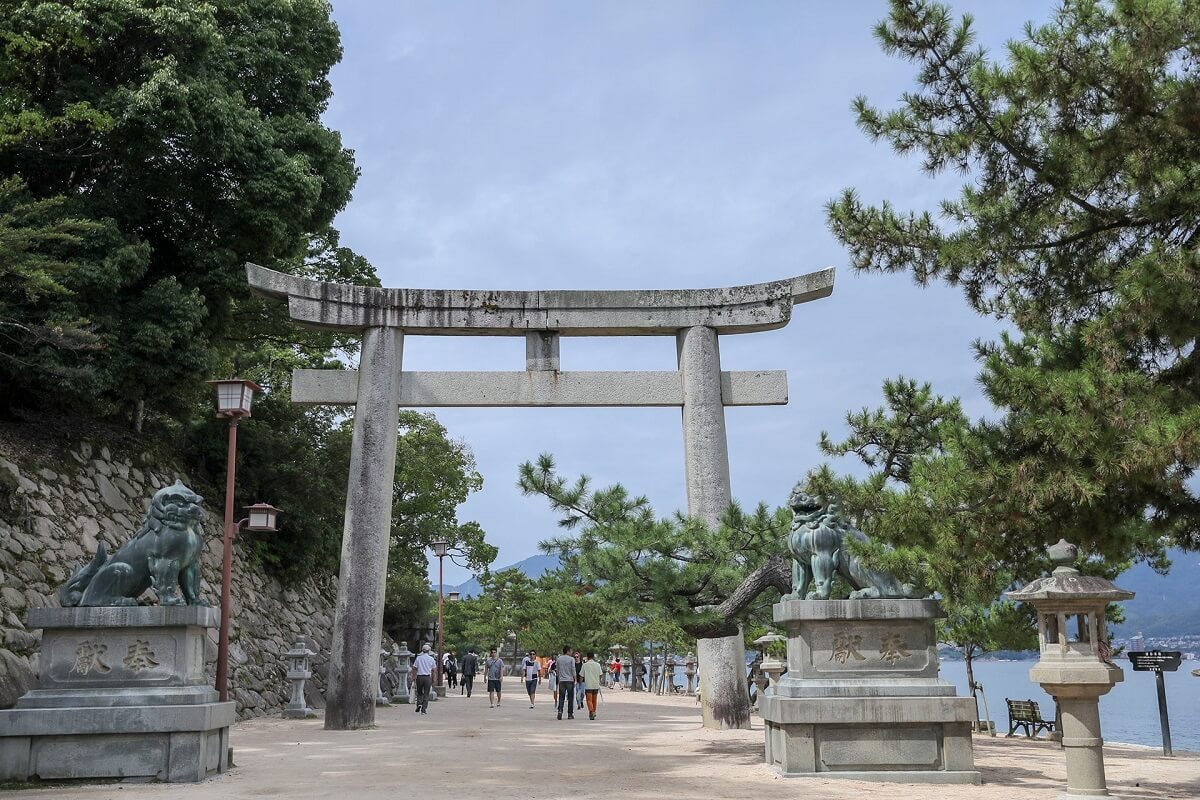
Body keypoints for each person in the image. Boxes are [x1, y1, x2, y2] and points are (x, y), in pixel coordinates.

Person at [412, 643, 437, 715]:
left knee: (419, 692)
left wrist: (414, 677)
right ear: (429, 651)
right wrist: (434, 678)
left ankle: (419, 704)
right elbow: (434, 670)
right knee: (426, 693)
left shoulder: (418, 658)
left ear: (422, 650)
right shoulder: (431, 659)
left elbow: (414, 668)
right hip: (427, 677)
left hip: (419, 677)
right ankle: (423, 709)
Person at [555, 645, 576, 720]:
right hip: (570, 680)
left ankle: (560, 710)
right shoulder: (571, 659)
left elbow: (557, 669)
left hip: (562, 681)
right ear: (567, 651)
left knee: (561, 697)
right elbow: (573, 669)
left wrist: (559, 678)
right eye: (571, 651)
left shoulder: (559, 659)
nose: (572, 652)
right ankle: (570, 714)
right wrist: (575, 678)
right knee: (570, 698)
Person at [580, 652, 603, 720]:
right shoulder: (598, 665)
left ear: (587, 657)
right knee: (594, 700)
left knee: (589, 700)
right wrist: (599, 680)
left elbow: (581, 676)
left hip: (588, 685)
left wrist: (581, 683)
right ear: (593, 657)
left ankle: (592, 711)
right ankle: (593, 711)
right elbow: (601, 674)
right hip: (596, 685)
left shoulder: (585, 665)